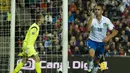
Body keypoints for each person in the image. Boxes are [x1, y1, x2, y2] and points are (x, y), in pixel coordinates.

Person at [86, 3, 118, 73]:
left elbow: (115, 32)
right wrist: (91, 18)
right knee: (91, 54)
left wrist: (108, 37)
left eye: (98, 9)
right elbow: (88, 29)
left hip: (101, 43)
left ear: (102, 11)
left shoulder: (106, 20)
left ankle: (94, 71)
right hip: (92, 41)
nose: (96, 11)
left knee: (97, 62)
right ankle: (89, 68)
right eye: (95, 9)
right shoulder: (92, 19)